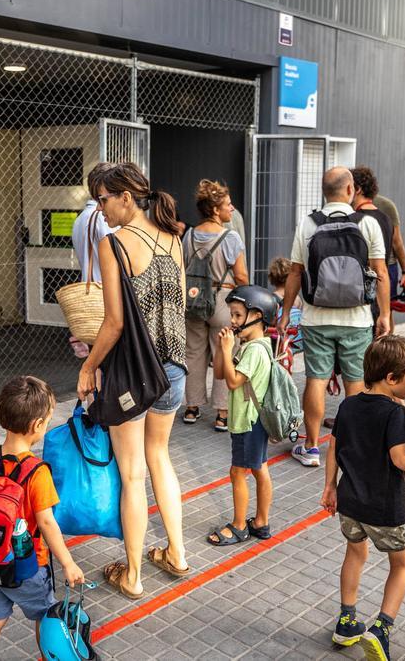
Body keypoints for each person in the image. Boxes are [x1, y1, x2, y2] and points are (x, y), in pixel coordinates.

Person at [77, 162, 190, 599]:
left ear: (126, 197)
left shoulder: (115, 244)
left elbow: (114, 323)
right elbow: (177, 307)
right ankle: (177, 555)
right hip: (174, 368)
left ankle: (135, 575)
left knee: (131, 475)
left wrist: (88, 366)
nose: (99, 209)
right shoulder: (174, 238)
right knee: (160, 457)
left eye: (102, 200)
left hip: (133, 374)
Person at [323, 336, 405, 660]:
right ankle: (381, 629)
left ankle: (347, 621)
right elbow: (400, 459)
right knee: (401, 564)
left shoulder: (349, 404)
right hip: (382, 508)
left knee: (355, 555)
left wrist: (329, 486)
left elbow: (333, 446)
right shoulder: (393, 414)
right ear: (392, 378)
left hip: (350, 503)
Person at [0, 376, 85, 661]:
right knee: (45, 617)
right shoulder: (37, 472)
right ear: (37, 426)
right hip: (29, 568)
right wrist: (68, 562)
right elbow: (47, 523)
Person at [279, 166, 390, 468]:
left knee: (316, 379)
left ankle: (312, 447)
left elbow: (295, 273)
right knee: (356, 383)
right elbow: (380, 273)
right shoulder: (368, 224)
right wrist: (386, 316)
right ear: (351, 189)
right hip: (357, 319)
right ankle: (353, 448)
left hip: (316, 318)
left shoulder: (308, 224)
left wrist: (286, 312)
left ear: (323, 191)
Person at [206, 285, 276, 546]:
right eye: (232, 315)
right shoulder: (251, 346)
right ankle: (261, 522)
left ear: (257, 315)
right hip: (253, 421)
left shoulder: (255, 350)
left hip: (247, 422)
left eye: (237, 315)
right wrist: (222, 347)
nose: (233, 321)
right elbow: (220, 375)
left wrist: (226, 349)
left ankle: (239, 526)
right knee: (259, 469)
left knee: (238, 472)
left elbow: (234, 382)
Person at [182, 179, 250, 431]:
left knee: (194, 353)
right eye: (228, 205)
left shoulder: (188, 235)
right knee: (226, 353)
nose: (231, 209)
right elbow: (242, 276)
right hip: (223, 301)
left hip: (194, 300)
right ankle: (222, 412)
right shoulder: (230, 237)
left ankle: (192, 407)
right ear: (214, 209)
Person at [68, 163, 118, 359]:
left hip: (91, 294)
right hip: (105, 298)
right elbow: (116, 254)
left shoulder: (81, 218)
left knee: (97, 362)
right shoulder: (101, 218)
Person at [373, 194, 405, 294]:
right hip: (386, 267)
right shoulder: (387, 205)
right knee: (386, 307)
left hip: (386, 266)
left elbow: (396, 241)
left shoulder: (386, 205)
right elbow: (397, 241)